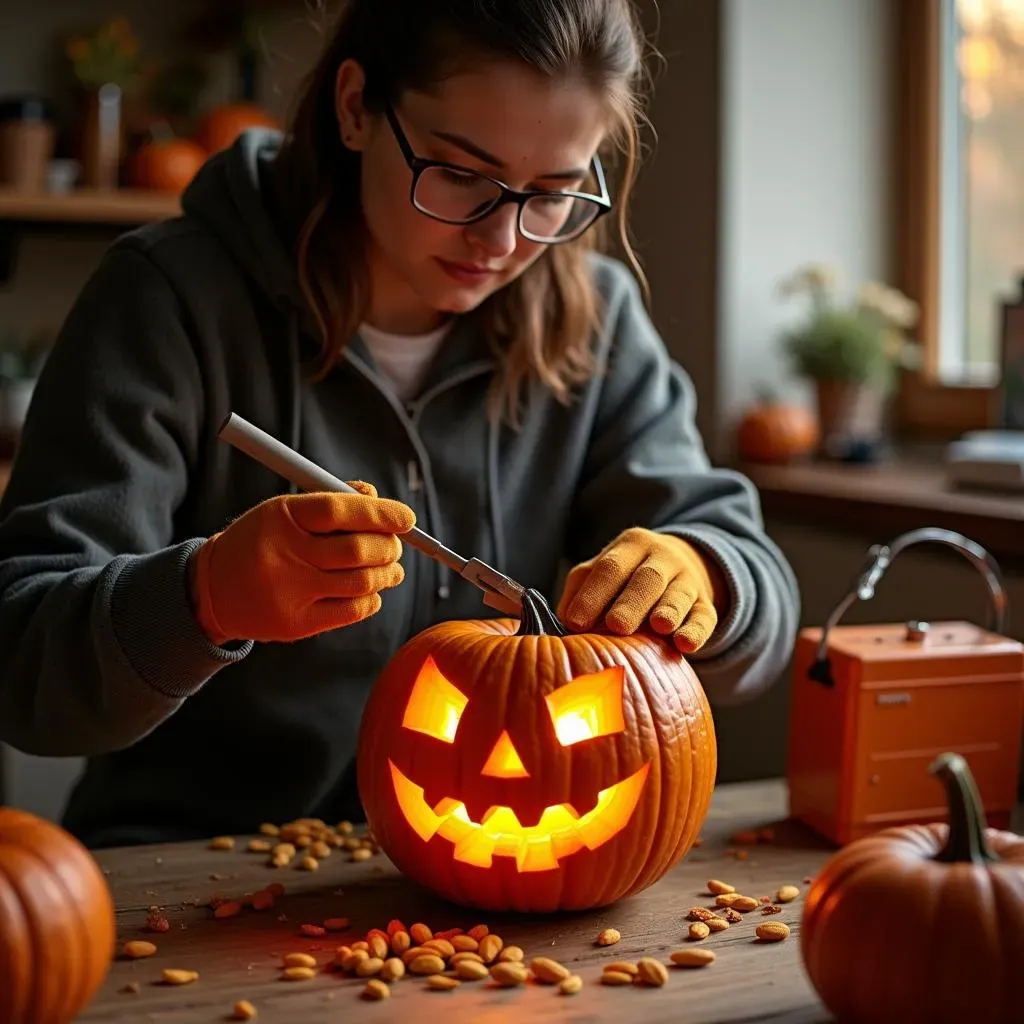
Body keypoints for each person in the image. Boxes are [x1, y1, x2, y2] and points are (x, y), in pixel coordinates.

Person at [0, 0, 799, 848]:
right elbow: (23, 669)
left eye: (555, 193)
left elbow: (761, 599)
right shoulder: (168, 299)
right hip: (190, 876)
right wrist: (206, 598)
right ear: (355, 107)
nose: (501, 237)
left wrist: (702, 571)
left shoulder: (596, 322)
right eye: (459, 174)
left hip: (473, 885)